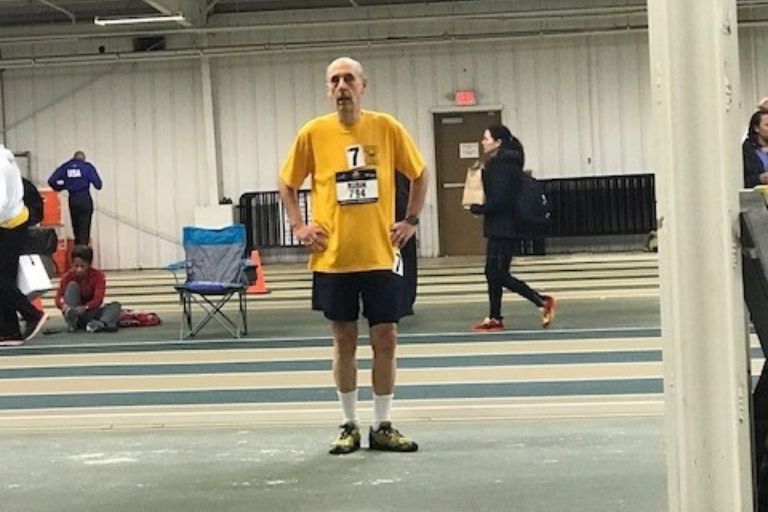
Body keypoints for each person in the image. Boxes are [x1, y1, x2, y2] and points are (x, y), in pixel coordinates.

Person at [278, 56, 427, 455]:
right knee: (343, 340)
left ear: (363, 85)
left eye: (349, 79)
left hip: (381, 254)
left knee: (387, 337)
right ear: (328, 90)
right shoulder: (314, 132)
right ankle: (348, 424)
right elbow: (287, 183)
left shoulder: (387, 127)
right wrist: (299, 226)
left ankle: (383, 424)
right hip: (334, 258)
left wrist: (410, 220)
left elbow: (419, 172)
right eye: (334, 80)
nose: (342, 86)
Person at [468, 125, 556, 332]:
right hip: (508, 225)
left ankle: (542, 301)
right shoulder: (510, 164)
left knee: (496, 273)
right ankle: (495, 316)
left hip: (502, 227)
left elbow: (500, 199)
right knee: (495, 272)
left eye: (486, 138)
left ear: (498, 142)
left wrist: (478, 208)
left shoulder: (499, 167)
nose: (483, 142)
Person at [0, 143, 48, 343]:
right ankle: (10, 330)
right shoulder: (5, 157)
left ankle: (31, 314)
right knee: (5, 279)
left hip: (10, 224)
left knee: (2, 279)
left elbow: (0, 202)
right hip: (11, 222)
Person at [54, 245, 120, 333]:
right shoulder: (67, 276)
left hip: (90, 312)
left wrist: (86, 307)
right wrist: (63, 306)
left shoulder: (98, 276)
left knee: (115, 306)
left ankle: (99, 324)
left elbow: (98, 299)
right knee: (72, 285)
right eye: (76, 266)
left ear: (89, 264)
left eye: (82, 266)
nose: (79, 270)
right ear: (72, 263)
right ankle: (74, 322)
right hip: (74, 312)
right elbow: (58, 298)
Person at [48, 150, 102, 246]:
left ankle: (77, 249)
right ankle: (83, 250)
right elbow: (98, 185)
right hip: (85, 199)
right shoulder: (87, 167)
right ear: (83, 158)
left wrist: (63, 186)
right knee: (84, 228)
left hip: (73, 200)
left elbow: (52, 180)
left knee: (76, 228)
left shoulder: (66, 167)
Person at [396, 171, 417, 315]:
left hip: (400, 212)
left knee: (405, 259)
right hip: (402, 211)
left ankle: (406, 300)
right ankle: (406, 301)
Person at [744, 110, 768, 189]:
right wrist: (760, 178)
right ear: (756, 128)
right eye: (767, 125)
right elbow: (741, 180)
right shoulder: (747, 150)